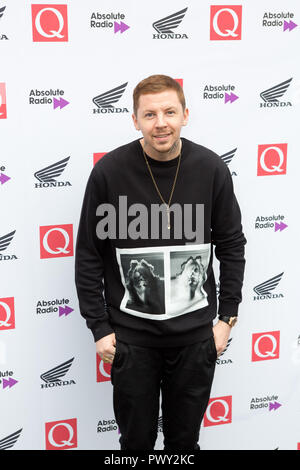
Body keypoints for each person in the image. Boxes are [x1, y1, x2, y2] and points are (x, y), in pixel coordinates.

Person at [75, 74, 246, 451]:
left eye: (169, 111)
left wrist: (226, 320)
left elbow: (232, 245)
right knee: (135, 444)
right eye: (149, 114)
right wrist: (99, 328)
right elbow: (89, 253)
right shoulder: (109, 173)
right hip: (132, 342)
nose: (161, 122)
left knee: (184, 444)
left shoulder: (211, 169)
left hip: (195, 338)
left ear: (185, 114)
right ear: (135, 120)